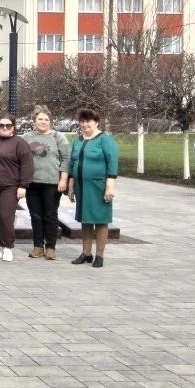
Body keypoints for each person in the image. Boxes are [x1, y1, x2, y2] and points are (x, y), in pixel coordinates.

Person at [68, 107, 119, 268]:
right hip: (82, 187)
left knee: (101, 219)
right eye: (82, 121)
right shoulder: (78, 140)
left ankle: (100, 255)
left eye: (88, 121)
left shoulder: (105, 139)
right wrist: (71, 185)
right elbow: (73, 163)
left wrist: (110, 185)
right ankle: (86, 253)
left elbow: (112, 161)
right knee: (86, 219)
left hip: (99, 186)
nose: (84, 125)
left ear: (96, 122)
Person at [22, 105, 71, 260]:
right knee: (35, 215)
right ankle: (38, 246)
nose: (43, 122)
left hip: (52, 183)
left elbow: (66, 159)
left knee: (50, 215)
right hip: (32, 183)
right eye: (40, 119)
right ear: (34, 121)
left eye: (46, 119)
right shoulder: (26, 138)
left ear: (50, 121)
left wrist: (63, 179)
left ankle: (50, 247)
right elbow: (21, 159)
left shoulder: (58, 137)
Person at [0, 115, 34, 263]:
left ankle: (8, 247)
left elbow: (27, 165)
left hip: (10, 186)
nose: (5, 128)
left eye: (8, 125)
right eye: (2, 125)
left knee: (6, 217)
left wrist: (23, 185)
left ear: (13, 127)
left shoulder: (20, 144)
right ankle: (2, 245)